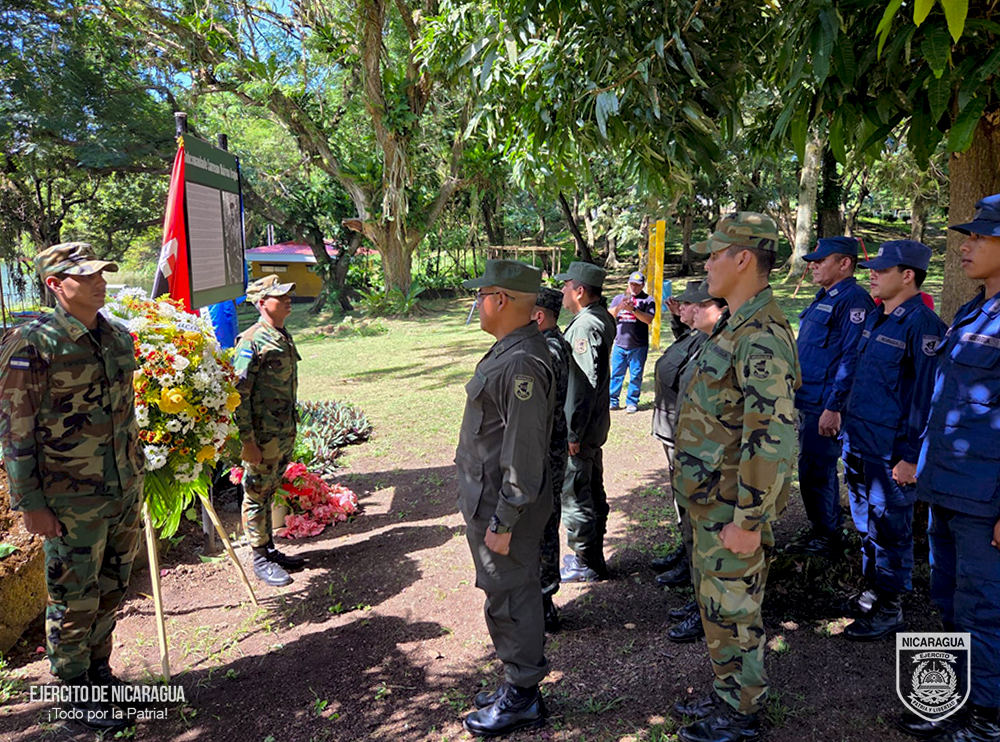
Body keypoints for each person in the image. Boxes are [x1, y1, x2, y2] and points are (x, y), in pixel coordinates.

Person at [0, 243, 144, 732]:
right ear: (56, 285)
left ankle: (99, 672)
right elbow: (14, 430)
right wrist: (30, 504)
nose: (100, 281)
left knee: (112, 586)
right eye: (86, 276)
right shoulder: (32, 344)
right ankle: (75, 690)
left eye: (103, 272)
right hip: (69, 499)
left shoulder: (118, 337)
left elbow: (125, 417)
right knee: (73, 595)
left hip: (122, 488)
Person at [670, 213, 800, 742]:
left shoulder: (762, 333)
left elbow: (771, 438)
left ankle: (742, 711)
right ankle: (728, 689)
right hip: (711, 501)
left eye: (715, 253)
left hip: (732, 508)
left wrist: (749, 521)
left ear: (743, 258)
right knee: (717, 606)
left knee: (734, 608)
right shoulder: (736, 323)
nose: (706, 263)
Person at [896, 195, 1000, 742]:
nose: (965, 245)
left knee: (986, 609)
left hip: (988, 500)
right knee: (949, 598)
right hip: (949, 489)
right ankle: (952, 701)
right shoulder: (973, 311)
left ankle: (989, 719)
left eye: (980, 237)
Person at [455, 259, 555, 737]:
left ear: (501, 300)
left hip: (503, 506)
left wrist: (505, 519)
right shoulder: (509, 350)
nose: (477, 304)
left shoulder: (521, 362)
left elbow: (524, 451)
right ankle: (516, 682)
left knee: (512, 595)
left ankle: (523, 695)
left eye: (481, 296)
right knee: (503, 592)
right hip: (489, 500)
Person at [839, 240, 945, 641]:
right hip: (862, 443)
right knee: (868, 526)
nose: (872, 275)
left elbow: (926, 399)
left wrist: (911, 457)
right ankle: (872, 593)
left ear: (908, 276)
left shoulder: (923, 326)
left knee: (891, 532)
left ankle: (891, 607)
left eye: (881, 270)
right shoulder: (878, 317)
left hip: (892, 454)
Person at [787, 237, 875, 558]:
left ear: (844, 264)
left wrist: (834, 407)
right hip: (808, 399)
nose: (813, 265)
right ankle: (821, 528)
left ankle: (828, 536)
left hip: (826, 404)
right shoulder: (825, 296)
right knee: (810, 467)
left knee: (818, 469)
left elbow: (853, 358)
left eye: (821, 260)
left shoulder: (853, 302)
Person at [661, 285, 728, 645]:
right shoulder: (705, 339)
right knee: (696, 537)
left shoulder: (726, 342)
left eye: (699, 304)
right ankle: (701, 603)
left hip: (711, 462)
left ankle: (709, 612)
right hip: (693, 454)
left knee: (711, 544)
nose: (690, 310)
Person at [234, 274, 305, 587]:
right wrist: (247, 442)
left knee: (269, 490)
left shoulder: (280, 335)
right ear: (262, 303)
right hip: (262, 437)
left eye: (288, 295)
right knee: (255, 494)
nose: (288, 300)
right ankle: (260, 557)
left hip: (281, 432)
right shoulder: (251, 341)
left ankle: (269, 547)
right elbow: (238, 396)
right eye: (281, 297)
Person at [555, 261, 617, 582]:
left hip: (582, 429)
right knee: (591, 488)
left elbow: (580, 384)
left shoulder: (583, 327)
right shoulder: (600, 317)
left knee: (577, 492)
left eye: (566, 286)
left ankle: (585, 561)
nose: (563, 292)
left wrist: (572, 430)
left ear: (579, 291)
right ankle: (592, 555)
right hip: (594, 425)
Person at [650, 280, 706, 585]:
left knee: (688, 502)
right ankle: (686, 552)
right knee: (680, 500)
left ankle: (691, 560)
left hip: (683, 431)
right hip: (671, 428)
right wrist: (677, 319)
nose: (680, 306)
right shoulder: (694, 335)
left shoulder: (708, 339)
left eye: (686, 304)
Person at [532, 287, 573, 632]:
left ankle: (544, 603)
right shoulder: (554, 343)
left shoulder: (547, 349)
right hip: (551, 446)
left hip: (546, 449)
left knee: (544, 524)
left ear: (539, 315)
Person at [608, 271, 656, 413]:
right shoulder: (618, 298)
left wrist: (633, 310)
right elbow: (610, 315)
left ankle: (632, 401)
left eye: (637, 285)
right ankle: (612, 401)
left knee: (636, 375)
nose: (634, 288)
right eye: (632, 284)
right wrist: (620, 307)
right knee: (616, 374)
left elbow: (648, 319)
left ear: (642, 286)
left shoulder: (648, 300)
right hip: (619, 344)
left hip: (638, 345)